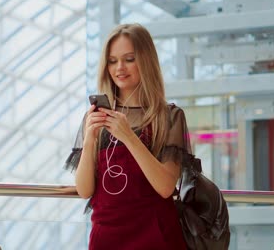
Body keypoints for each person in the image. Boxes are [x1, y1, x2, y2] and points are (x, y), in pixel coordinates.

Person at [64, 23, 191, 249]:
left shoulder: (169, 116)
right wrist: (90, 138)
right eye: (112, 61)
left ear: (146, 60)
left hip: (156, 236)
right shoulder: (95, 117)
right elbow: (84, 190)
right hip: (106, 237)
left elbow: (165, 187)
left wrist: (129, 138)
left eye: (129, 59)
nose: (119, 67)